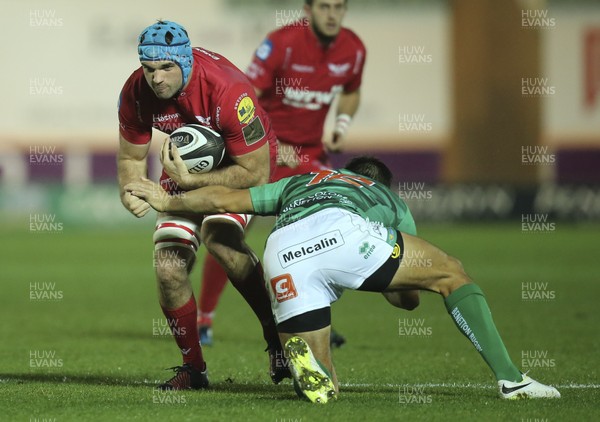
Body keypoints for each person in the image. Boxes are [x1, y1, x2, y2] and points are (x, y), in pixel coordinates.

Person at [126, 156, 561, 403]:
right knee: (451, 274)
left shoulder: (303, 180)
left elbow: (226, 198)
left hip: (283, 253)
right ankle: (512, 380)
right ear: (381, 183)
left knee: (326, 387)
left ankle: (303, 360)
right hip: (342, 233)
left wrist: (168, 198)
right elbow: (408, 299)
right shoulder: (385, 197)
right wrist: (380, 279)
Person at [117, 20, 291, 390]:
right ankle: (194, 370)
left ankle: (275, 338)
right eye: (149, 69)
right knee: (167, 267)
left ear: (185, 60)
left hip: (241, 165)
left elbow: (256, 173)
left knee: (220, 238)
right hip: (184, 169)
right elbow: (130, 160)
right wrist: (129, 191)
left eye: (166, 68)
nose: (156, 79)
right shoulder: (135, 92)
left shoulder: (228, 90)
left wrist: (190, 182)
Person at [197, 0, 366, 348]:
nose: (332, 14)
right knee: (226, 229)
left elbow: (351, 90)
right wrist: (269, 144)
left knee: (327, 230)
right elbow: (245, 96)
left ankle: (311, 318)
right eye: (324, 6)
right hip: (263, 152)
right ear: (308, 8)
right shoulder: (281, 44)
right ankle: (204, 318)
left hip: (309, 157)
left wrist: (341, 124)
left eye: (339, 7)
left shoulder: (353, 49)